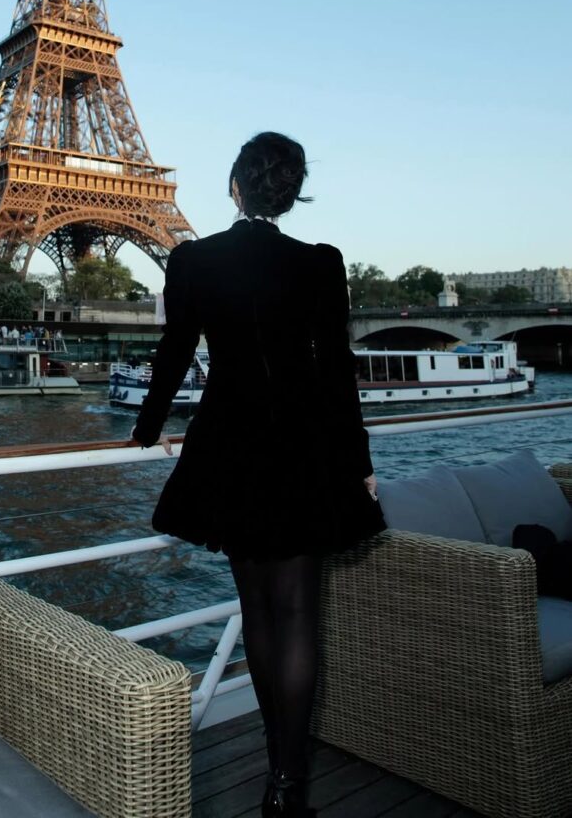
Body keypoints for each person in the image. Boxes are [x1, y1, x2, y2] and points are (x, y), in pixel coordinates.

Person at [131, 131, 385, 818]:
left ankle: (275, 763)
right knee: (298, 612)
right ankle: (287, 782)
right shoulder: (320, 262)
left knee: (258, 613)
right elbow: (337, 371)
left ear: (235, 187)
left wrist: (147, 429)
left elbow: (175, 350)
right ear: (289, 194)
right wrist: (359, 463)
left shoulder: (194, 259)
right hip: (307, 448)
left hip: (231, 445)